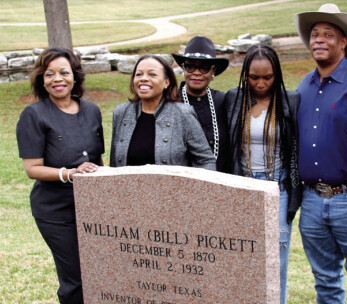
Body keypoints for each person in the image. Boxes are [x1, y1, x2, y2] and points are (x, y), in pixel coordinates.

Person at [294, 4, 347, 303]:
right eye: (315, 34)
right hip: (313, 201)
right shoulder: (304, 84)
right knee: (325, 280)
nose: (319, 40)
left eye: (328, 34)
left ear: (344, 42)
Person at [16, 47, 104, 303]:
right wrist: (70, 174)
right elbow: (32, 168)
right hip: (56, 212)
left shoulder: (92, 110)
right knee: (75, 278)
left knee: (99, 272)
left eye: (64, 72)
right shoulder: (33, 115)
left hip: (91, 208)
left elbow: (97, 160)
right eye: (49, 74)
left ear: (74, 76)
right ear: (41, 80)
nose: (57, 79)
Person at [225, 44, 300, 304]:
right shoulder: (235, 99)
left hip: (276, 187)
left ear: (276, 74)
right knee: (243, 257)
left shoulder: (289, 100)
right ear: (245, 74)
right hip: (243, 185)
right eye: (253, 77)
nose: (260, 83)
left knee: (276, 257)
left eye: (267, 77)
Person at [110, 55, 216, 170]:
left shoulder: (183, 114)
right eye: (139, 74)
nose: (143, 78)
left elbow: (205, 160)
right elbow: (114, 165)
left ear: (166, 82)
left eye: (152, 74)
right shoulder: (121, 112)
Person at [172, 36, 230, 172]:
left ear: (213, 71)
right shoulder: (171, 102)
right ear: (183, 68)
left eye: (204, 68)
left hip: (221, 181)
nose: (196, 73)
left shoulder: (223, 100)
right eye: (190, 66)